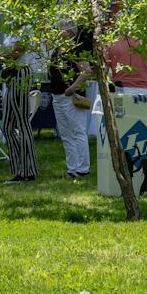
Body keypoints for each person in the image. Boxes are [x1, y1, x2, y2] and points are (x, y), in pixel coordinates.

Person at [49, 24, 93, 179]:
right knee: (66, 133)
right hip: (57, 96)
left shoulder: (76, 49)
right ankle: (72, 167)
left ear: (68, 32)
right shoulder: (57, 50)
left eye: (59, 29)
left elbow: (86, 71)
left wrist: (72, 88)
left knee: (78, 131)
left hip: (70, 96)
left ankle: (83, 168)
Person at [0, 34, 38, 184]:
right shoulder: (9, 31)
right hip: (12, 75)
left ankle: (26, 172)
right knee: (6, 126)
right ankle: (20, 168)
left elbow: (18, 51)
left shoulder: (25, 29)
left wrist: (2, 55)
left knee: (22, 124)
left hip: (22, 73)